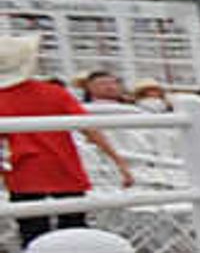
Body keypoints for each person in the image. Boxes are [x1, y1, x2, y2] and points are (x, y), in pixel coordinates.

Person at [1, 33, 128, 239]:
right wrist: (118, 161)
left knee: (32, 231)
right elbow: (90, 129)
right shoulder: (54, 93)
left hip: (23, 171)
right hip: (63, 167)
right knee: (74, 228)